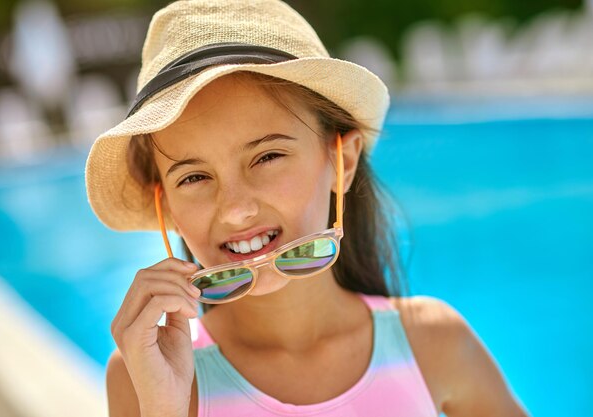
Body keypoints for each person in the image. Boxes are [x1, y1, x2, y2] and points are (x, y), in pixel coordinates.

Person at [85, 0, 530, 416]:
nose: (236, 210)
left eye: (267, 157)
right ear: (165, 205)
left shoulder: (434, 343)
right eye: (194, 177)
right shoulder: (143, 375)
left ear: (344, 160)